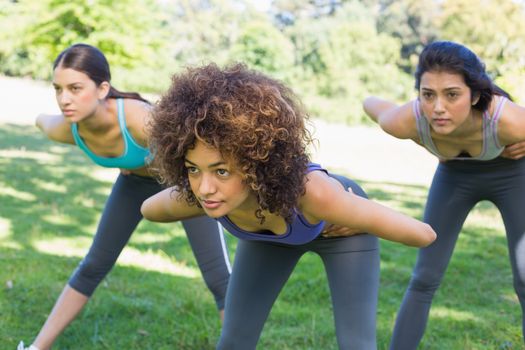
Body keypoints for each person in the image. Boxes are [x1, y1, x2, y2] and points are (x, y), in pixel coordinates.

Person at [140, 62, 436, 349]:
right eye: (193, 169)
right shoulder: (204, 195)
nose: (205, 187)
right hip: (268, 235)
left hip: (343, 232)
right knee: (234, 341)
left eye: (221, 171)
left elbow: (423, 235)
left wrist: (355, 212)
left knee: (356, 344)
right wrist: (193, 192)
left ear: (257, 162)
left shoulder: (315, 194)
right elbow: (150, 210)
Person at [17, 44, 231, 350]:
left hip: (185, 186)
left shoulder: (139, 120)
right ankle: (37, 347)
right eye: (58, 89)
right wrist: (37, 117)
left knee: (218, 278)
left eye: (75, 88)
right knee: (93, 264)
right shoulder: (66, 129)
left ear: (103, 88)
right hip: (135, 186)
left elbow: (197, 146)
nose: (65, 99)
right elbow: (42, 120)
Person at [363, 40, 525, 348]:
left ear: (475, 94)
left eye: (452, 94)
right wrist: (421, 139)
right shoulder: (407, 120)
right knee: (424, 277)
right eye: (428, 95)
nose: (438, 107)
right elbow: (369, 103)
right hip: (455, 179)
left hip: (512, 175)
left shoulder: (509, 120)